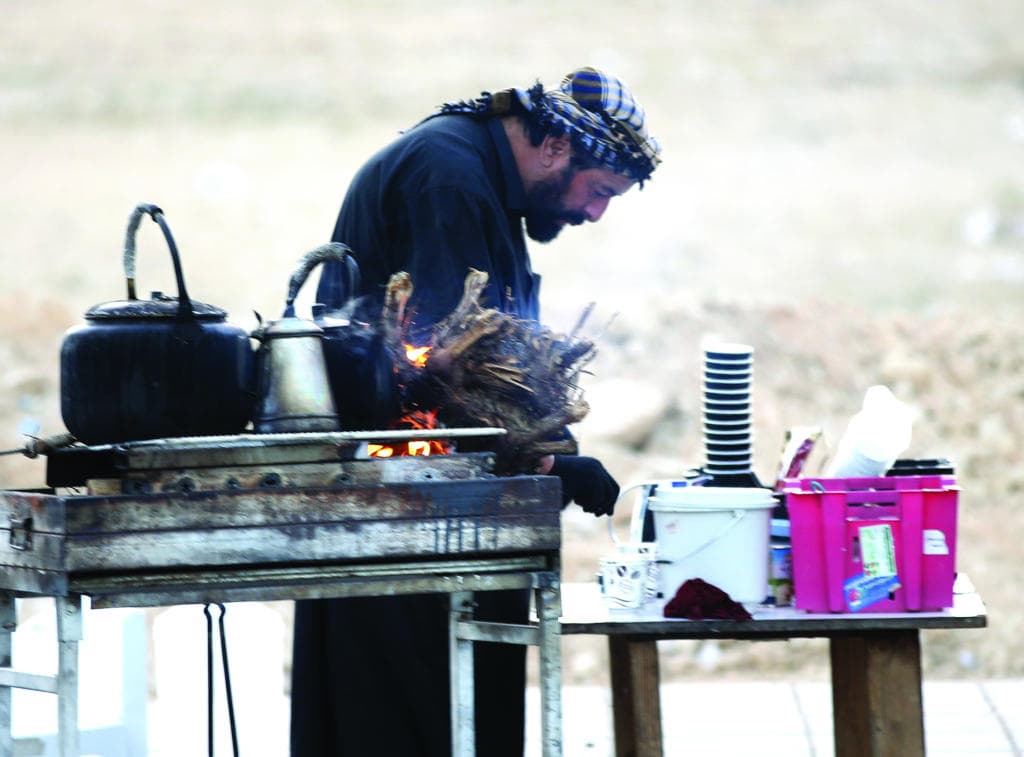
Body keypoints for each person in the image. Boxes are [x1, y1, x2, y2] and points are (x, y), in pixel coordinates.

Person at [290, 66, 661, 757]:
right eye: (600, 190)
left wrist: (554, 444)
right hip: (398, 515)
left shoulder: (471, 175)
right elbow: (446, 363)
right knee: (410, 724)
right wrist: (549, 459)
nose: (595, 213)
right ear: (555, 147)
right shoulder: (450, 179)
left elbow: (496, 351)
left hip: (425, 507)